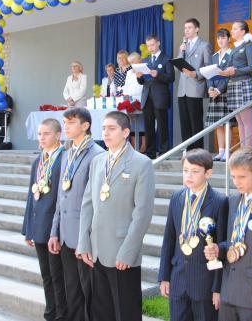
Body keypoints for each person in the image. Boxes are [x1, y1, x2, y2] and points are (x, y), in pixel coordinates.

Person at [77, 111, 155, 321]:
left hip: (122, 253)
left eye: (111, 129)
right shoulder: (97, 161)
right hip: (96, 251)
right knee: (100, 312)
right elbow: (87, 204)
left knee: (125, 312)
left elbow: (142, 213)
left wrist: (128, 252)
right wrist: (83, 242)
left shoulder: (141, 163)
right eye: (103, 128)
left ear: (126, 132)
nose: (106, 133)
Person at [204, 148, 252, 321]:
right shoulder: (234, 201)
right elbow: (232, 241)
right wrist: (219, 249)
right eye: (233, 177)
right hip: (229, 290)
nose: (236, 182)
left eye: (242, 177)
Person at [158, 148, 228, 321]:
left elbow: (221, 245)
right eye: (185, 170)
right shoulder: (177, 198)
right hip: (178, 279)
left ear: (208, 173)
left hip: (205, 284)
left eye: (195, 171)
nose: (189, 175)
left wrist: (217, 288)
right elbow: (169, 239)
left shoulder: (220, 201)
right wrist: (164, 277)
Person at [48, 108, 104, 321]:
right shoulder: (67, 153)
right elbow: (60, 196)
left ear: (85, 125)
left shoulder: (97, 154)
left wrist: (86, 238)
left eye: (71, 122)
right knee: (72, 291)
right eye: (65, 122)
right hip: (65, 235)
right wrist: (54, 231)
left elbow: (95, 203)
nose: (66, 127)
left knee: (89, 292)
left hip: (85, 236)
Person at [22, 118, 67, 321]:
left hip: (54, 229)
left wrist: (55, 231)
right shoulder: (38, 161)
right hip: (39, 227)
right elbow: (31, 197)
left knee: (58, 276)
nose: (41, 138)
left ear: (58, 135)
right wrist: (28, 229)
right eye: (39, 134)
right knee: (46, 275)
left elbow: (62, 199)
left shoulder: (63, 159)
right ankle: (50, 313)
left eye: (46, 133)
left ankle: (61, 315)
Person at [219, 21, 252, 148]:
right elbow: (229, 66)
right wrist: (222, 71)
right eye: (232, 28)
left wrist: (235, 71)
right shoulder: (234, 48)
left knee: (247, 121)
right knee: (240, 122)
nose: (232, 31)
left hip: (244, 84)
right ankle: (243, 149)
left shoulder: (248, 46)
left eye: (235, 28)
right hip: (233, 85)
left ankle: (248, 150)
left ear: (243, 31)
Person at [136, 34, 175, 159]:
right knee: (148, 126)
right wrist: (139, 77)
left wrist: (158, 74)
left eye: (152, 45)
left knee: (162, 125)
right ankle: (150, 152)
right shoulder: (145, 60)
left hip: (160, 97)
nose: (150, 48)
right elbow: (142, 82)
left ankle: (164, 152)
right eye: (148, 46)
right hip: (147, 97)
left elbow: (171, 78)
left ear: (158, 43)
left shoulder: (166, 59)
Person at [176, 18, 212, 151]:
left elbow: (208, 68)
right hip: (182, 90)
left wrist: (195, 74)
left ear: (197, 29)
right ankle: (188, 151)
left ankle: (198, 152)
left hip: (196, 88)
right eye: (185, 28)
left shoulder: (204, 45)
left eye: (189, 27)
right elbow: (177, 67)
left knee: (195, 122)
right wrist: (181, 51)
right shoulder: (183, 46)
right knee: (184, 123)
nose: (186, 30)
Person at [206, 28, 232, 161]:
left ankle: (228, 151)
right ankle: (221, 151)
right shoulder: (214, 56)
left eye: (223, 38)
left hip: (226, 92)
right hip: (214, 93)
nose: (220, 40)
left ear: (229, 39)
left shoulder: (232, 54)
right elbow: (210, 74)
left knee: (227, 123)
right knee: (218, 124)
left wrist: (219, 90)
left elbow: (229, 76)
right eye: (218, 38)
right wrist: (211, 88)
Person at [122, 52, 146, 153]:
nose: (131, 64)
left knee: (143, 123)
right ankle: (133, 145)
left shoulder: (144, 70)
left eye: (133, 61)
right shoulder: (129, 72)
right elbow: (126, 86)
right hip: (131, 100)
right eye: (130, 62)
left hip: (142, 99)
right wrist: (126, 97)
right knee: (132, 122)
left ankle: (144, 146)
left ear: (139, 61)